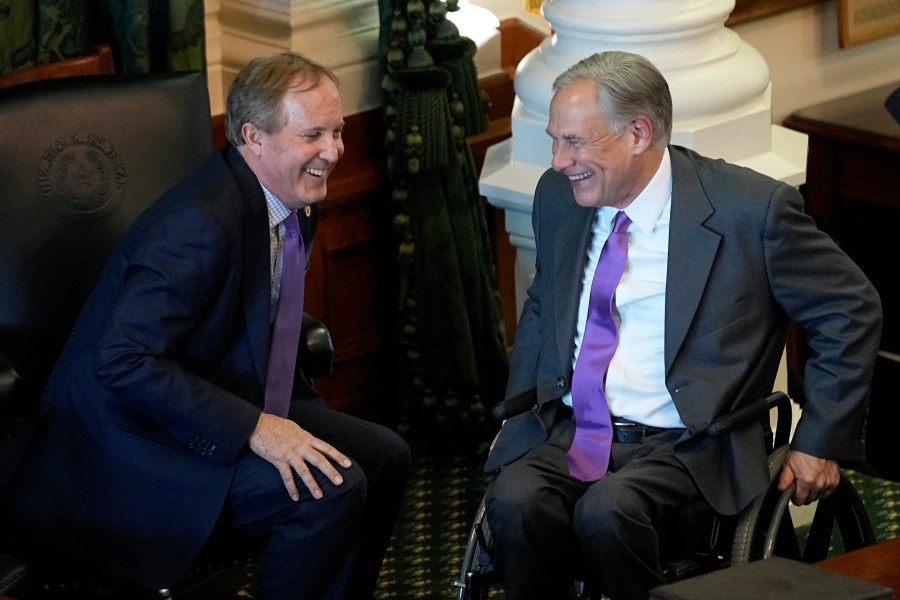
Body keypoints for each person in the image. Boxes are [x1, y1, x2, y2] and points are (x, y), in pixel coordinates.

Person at [0, 52, 410, 600]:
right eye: (314, 134)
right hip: (131, 444)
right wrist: (257, 428)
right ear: (253, 137)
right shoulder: (196, 226)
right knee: (327, 492)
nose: (334, 152)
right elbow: (123, 360)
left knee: (386, 458)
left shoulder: (294, 194)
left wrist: (271, 419)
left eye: (338, 131)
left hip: (232, 396)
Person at [483, 51, 882, 600]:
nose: (557, 160)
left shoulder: (750, 211)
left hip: (692, 446)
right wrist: (521, 411)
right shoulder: (560, 199)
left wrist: (819, 439)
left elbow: (849, 308)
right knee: (514, 499)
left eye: (574, 142)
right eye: (554, 140)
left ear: (639, 133)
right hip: (574, 432)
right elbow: (541, 309)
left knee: (608, 511)